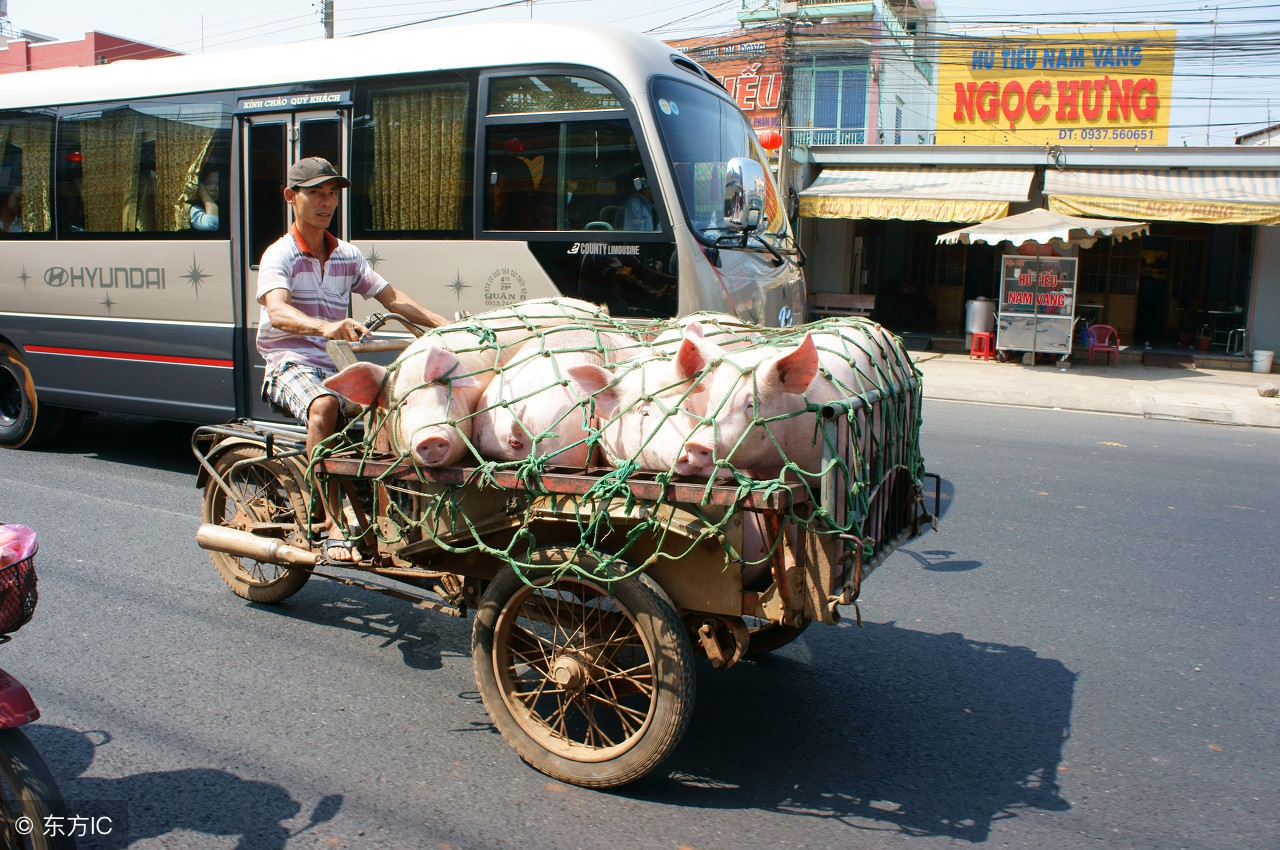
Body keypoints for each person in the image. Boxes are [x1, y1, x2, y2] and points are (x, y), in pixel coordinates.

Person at [256, 156, 449, 562]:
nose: (326, 203)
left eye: (331, 194)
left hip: (337, 361)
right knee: (324, 404)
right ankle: (327, 520)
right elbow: (277, 312)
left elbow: (392, 298)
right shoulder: (281, 255)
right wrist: (325, 327)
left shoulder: (347, 255)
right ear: (292, 197)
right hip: (291, 361)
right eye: (315, 194)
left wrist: (442, 325)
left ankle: (389, 511)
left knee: (399, 403)